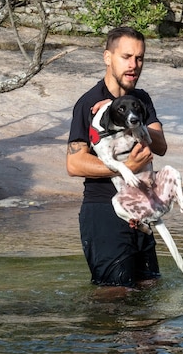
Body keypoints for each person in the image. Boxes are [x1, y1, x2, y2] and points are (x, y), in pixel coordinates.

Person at [66, 26, 168, 287]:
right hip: (103, 211)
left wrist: (136, 125)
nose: (134, 65)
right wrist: (127, 166)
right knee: (112, 296)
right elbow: (74, 163)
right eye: (126, 57)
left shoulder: (140, 100)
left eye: (140, 58)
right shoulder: (89, 103)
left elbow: (161, 145)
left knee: (149, 289)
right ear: (107, 58)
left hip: (140, 209)